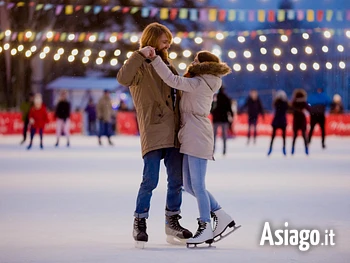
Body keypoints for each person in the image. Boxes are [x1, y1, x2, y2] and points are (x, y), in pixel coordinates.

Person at [148, 48, 236, 246]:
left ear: (204, 64)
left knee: (197, 185)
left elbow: (172, 80)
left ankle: (206, 225)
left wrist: (155, 60)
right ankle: (221, 215)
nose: (192, 62)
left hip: (197, 135)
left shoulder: (199, 83)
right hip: (191, 134)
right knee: (188, 185)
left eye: (196, 60)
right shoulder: (200, 81)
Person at [117, 22, 192, 246]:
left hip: (173, 131)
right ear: (152, 39)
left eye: (169, 40)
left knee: (176, 180)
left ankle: (172, 221)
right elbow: (122, 78)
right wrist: (138, 54)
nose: (168, 43)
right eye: (164, 39)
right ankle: (140, 222)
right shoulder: (139, 66)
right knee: (150, 180)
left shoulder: (167, 65)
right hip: (153, 128)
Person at [211, 87, 233, 156]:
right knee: (224, 136)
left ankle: (213, 149)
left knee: (214, 136)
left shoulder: (215, 98)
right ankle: (224, 150)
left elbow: (211, 109)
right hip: (224, 119)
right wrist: (231, 118)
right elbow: (229, 109)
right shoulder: (227, 98)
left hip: (216, 119)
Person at [267, 90, 289, 156]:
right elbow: (288, 107)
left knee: (273, 137)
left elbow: (274, 104)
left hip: (277, 121)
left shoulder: (277, 103)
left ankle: (271, 149)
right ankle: (283, 149)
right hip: (282, 121)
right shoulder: (284, 103)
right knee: (283, 137)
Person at [290, 89, 310, 155]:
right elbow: (309, 109)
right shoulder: (304, 102)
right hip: (301, 120)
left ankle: (293, 149)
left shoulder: (294, 102)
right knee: (303, 135)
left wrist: (296, 110)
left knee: (295, 135)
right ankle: (306, 149)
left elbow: (290, 109)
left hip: (297, 120)